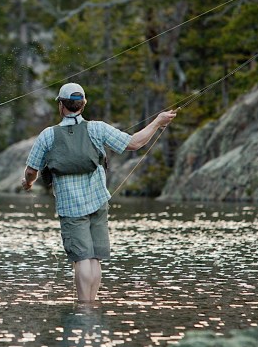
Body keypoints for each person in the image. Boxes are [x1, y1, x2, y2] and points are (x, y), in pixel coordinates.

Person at [21, 82, 177, 303]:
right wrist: (158, 122)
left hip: (70, 207)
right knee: (94, 259)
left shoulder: (48, 135)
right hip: (98, 202)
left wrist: (27, 183)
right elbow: (135, 143)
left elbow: (31, 171)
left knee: (82, 258)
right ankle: (92, 305)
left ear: (61, 106)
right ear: (82, 105)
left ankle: (83, 308)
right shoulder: (97, 129)